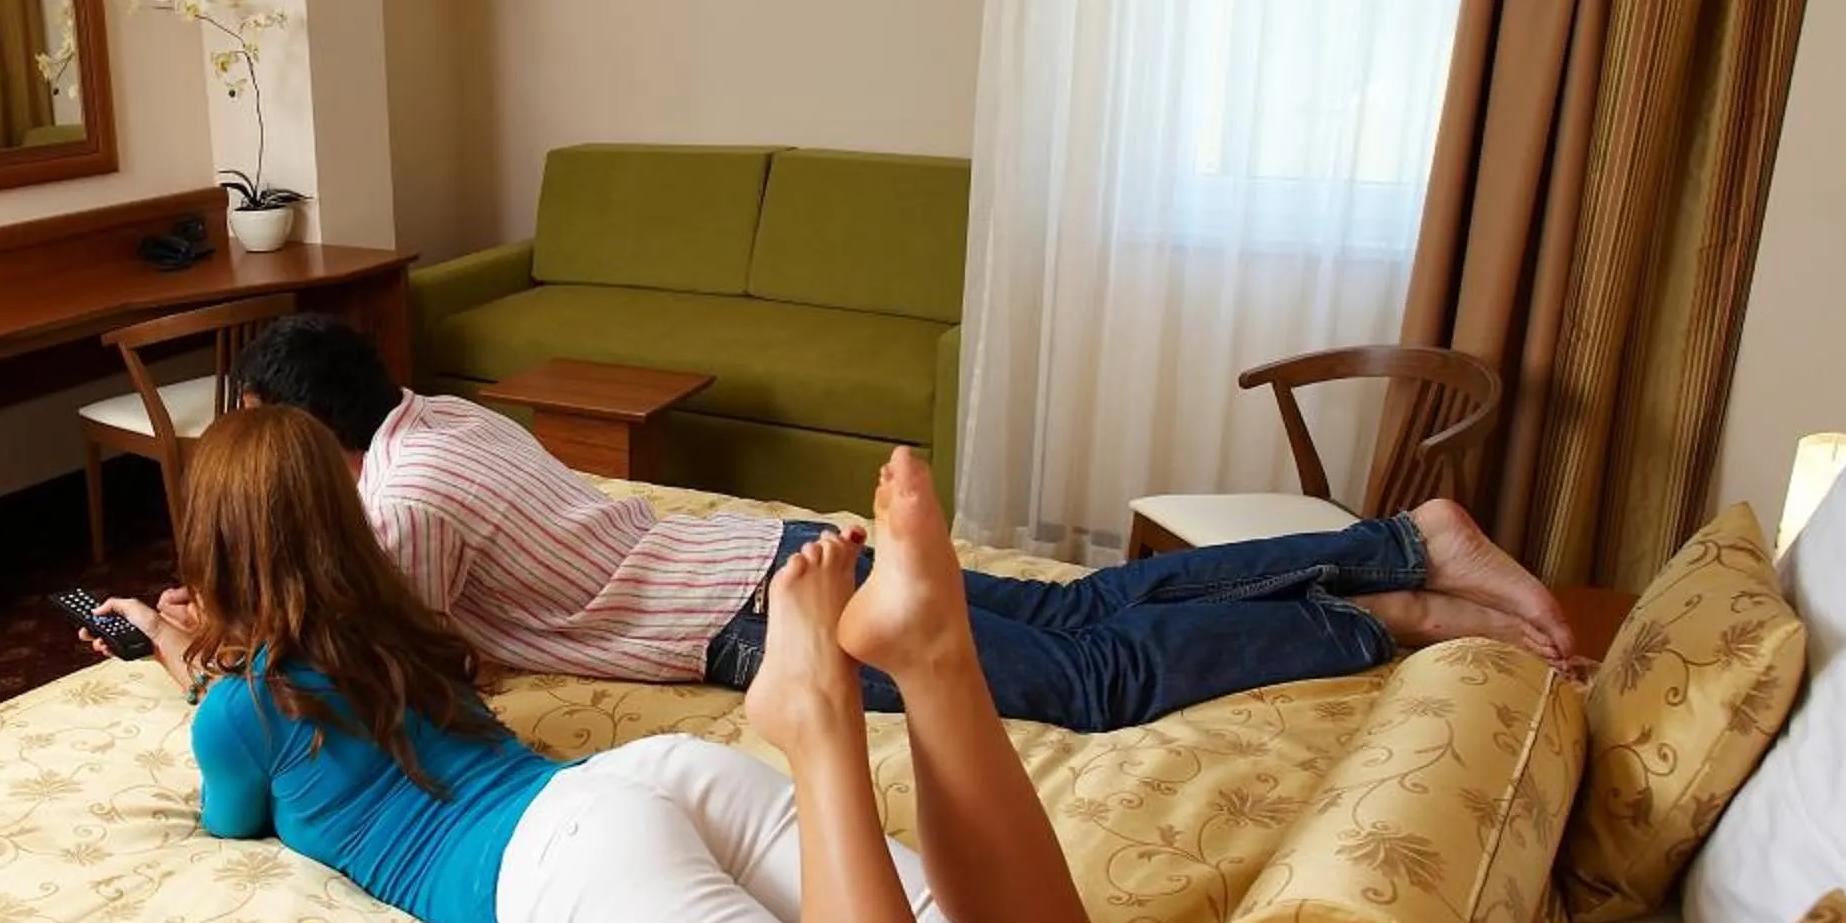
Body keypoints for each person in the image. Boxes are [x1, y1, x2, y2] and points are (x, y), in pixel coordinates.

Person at [86, 404, 1108, 923]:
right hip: (644, 778)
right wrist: (204, 643)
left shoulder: (235, 711)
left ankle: (818, 716)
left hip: (564, 876)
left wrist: (187, 657)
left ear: (207, 547)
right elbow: (309, 655)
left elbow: (234, 813)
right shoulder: (401, 615)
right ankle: (932, 663)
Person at [224, 314, 1579, 733]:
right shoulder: (444, 416)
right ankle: (1404, 548)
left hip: (761, 624)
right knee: (1078, 607)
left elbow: (368, 673)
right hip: (778, 552)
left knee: (1093, 682)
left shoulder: (396, 503)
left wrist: (210, 644)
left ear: (305, 445)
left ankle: (1377, 610)